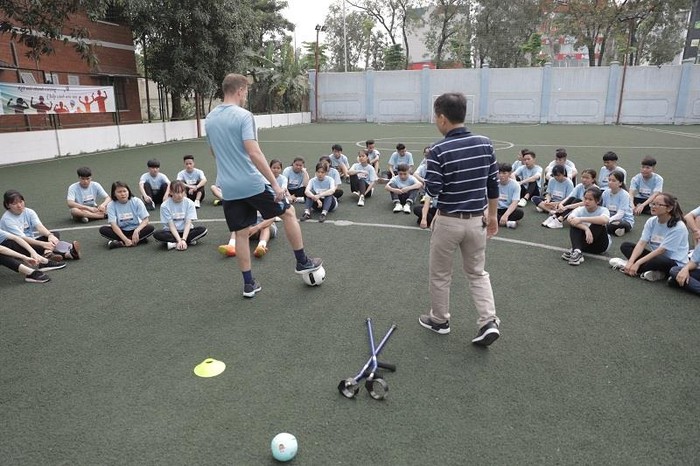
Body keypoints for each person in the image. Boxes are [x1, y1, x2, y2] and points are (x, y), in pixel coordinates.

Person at [204, 73, 322, 298]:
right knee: (288, 212)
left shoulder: (209, 119)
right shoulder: (244, 116)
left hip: (228, 187)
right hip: (252, 183)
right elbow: (254, 152)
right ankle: (302, 262)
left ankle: (249, 284)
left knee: (240, 234)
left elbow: (213, 152)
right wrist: (275, 186)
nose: (246, 95)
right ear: (239, 90)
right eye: (246, 91)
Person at [418, 92, 501, 347]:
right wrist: (493, 215)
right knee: (477, 273)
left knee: (440, 274)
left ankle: (440, 320)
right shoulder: (485, 143)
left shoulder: (438, 150)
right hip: (478, 221)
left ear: (442, 118)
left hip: (448, 221)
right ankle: (488, 320)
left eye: (435, 116)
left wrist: (422, 183)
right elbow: (493, 184)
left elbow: (433, 190)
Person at [609, 192, 688, 282]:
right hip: (655, 257)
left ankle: (628, 266)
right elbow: (642, 243)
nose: (653, 206)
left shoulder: (678, 227)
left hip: (674, 263)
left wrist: (638, 263)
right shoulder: (651, 221)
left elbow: (661, 250)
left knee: (657, 260)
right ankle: (655, 272)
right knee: (626, 246)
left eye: (658, 204)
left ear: (669, 208)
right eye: (653, 203)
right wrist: (631, 261)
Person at [1, 190, 80, 260]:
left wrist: (50, 235)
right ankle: (67, 253)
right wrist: (43, 244)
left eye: (21, 201)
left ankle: (49, 253)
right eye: (15, 203)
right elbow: (22, 239)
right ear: (8, 205)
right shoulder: (7, 219)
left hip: (31, 241)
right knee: (14, 244)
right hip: (17, 245)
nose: (19, 205)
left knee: (55, 234)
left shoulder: (29, 212)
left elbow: (40, 227)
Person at [561, 187, 611, 266]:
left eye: (590, 199)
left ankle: (575, 249)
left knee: (598, 224)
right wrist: (586, 228)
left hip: (599, 246)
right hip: (584, 244)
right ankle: (577, 251)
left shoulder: (603, 210)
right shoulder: (580, 209)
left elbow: (604, 220)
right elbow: (570, 219)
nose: (587, 201)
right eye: (585, 198)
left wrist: (581, 219)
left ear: (597, 201)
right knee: (574, 223)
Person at [99, 181, 155, 249]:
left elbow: (145, 220)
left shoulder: (136, 201)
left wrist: (137, 231)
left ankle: (120, 243)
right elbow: (113, 225)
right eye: (119, 192)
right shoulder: (111, 205)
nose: (123, 194)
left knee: (150, 228)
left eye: (124, 191)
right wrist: (125, 239)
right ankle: (137, 240)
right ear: (114, 194)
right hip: (121, 230)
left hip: (135, 228)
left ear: (128, 191)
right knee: (103, 230)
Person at [154, 181, 208, 250]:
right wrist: (179, 240)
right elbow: (171, 225)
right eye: (177, 192)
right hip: (171, 232)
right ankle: (187, 241)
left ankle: (173, 243)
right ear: (171, 192)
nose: (180, 195)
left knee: (203, 229)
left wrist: (183, 239)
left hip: (186, 231)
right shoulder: (165, 205)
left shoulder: (190, 203)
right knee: (157, 234)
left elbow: (188, 223)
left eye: (182, 192)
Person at [601, 171, 634, 237]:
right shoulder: (605, 193)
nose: (610, 182)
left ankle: (619, 228)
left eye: (613, 181)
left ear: (620, 183)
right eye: (609, 180)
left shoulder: (625, 195)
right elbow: (603, 208)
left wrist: (607, 221)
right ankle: (616, 230)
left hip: (624, 220)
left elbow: (620, 214)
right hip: (609, 217)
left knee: (615, 224)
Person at [495, 163, 523, 229]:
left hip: (507, 209)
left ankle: (497, 220)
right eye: (499, 173)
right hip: (495, 209)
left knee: (520, 213)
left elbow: (515, 202)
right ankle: (508, 223)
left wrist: (505, 215)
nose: (501, 175)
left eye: (504, 173)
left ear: (510, 173)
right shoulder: (494, 183)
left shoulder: (515, 185)